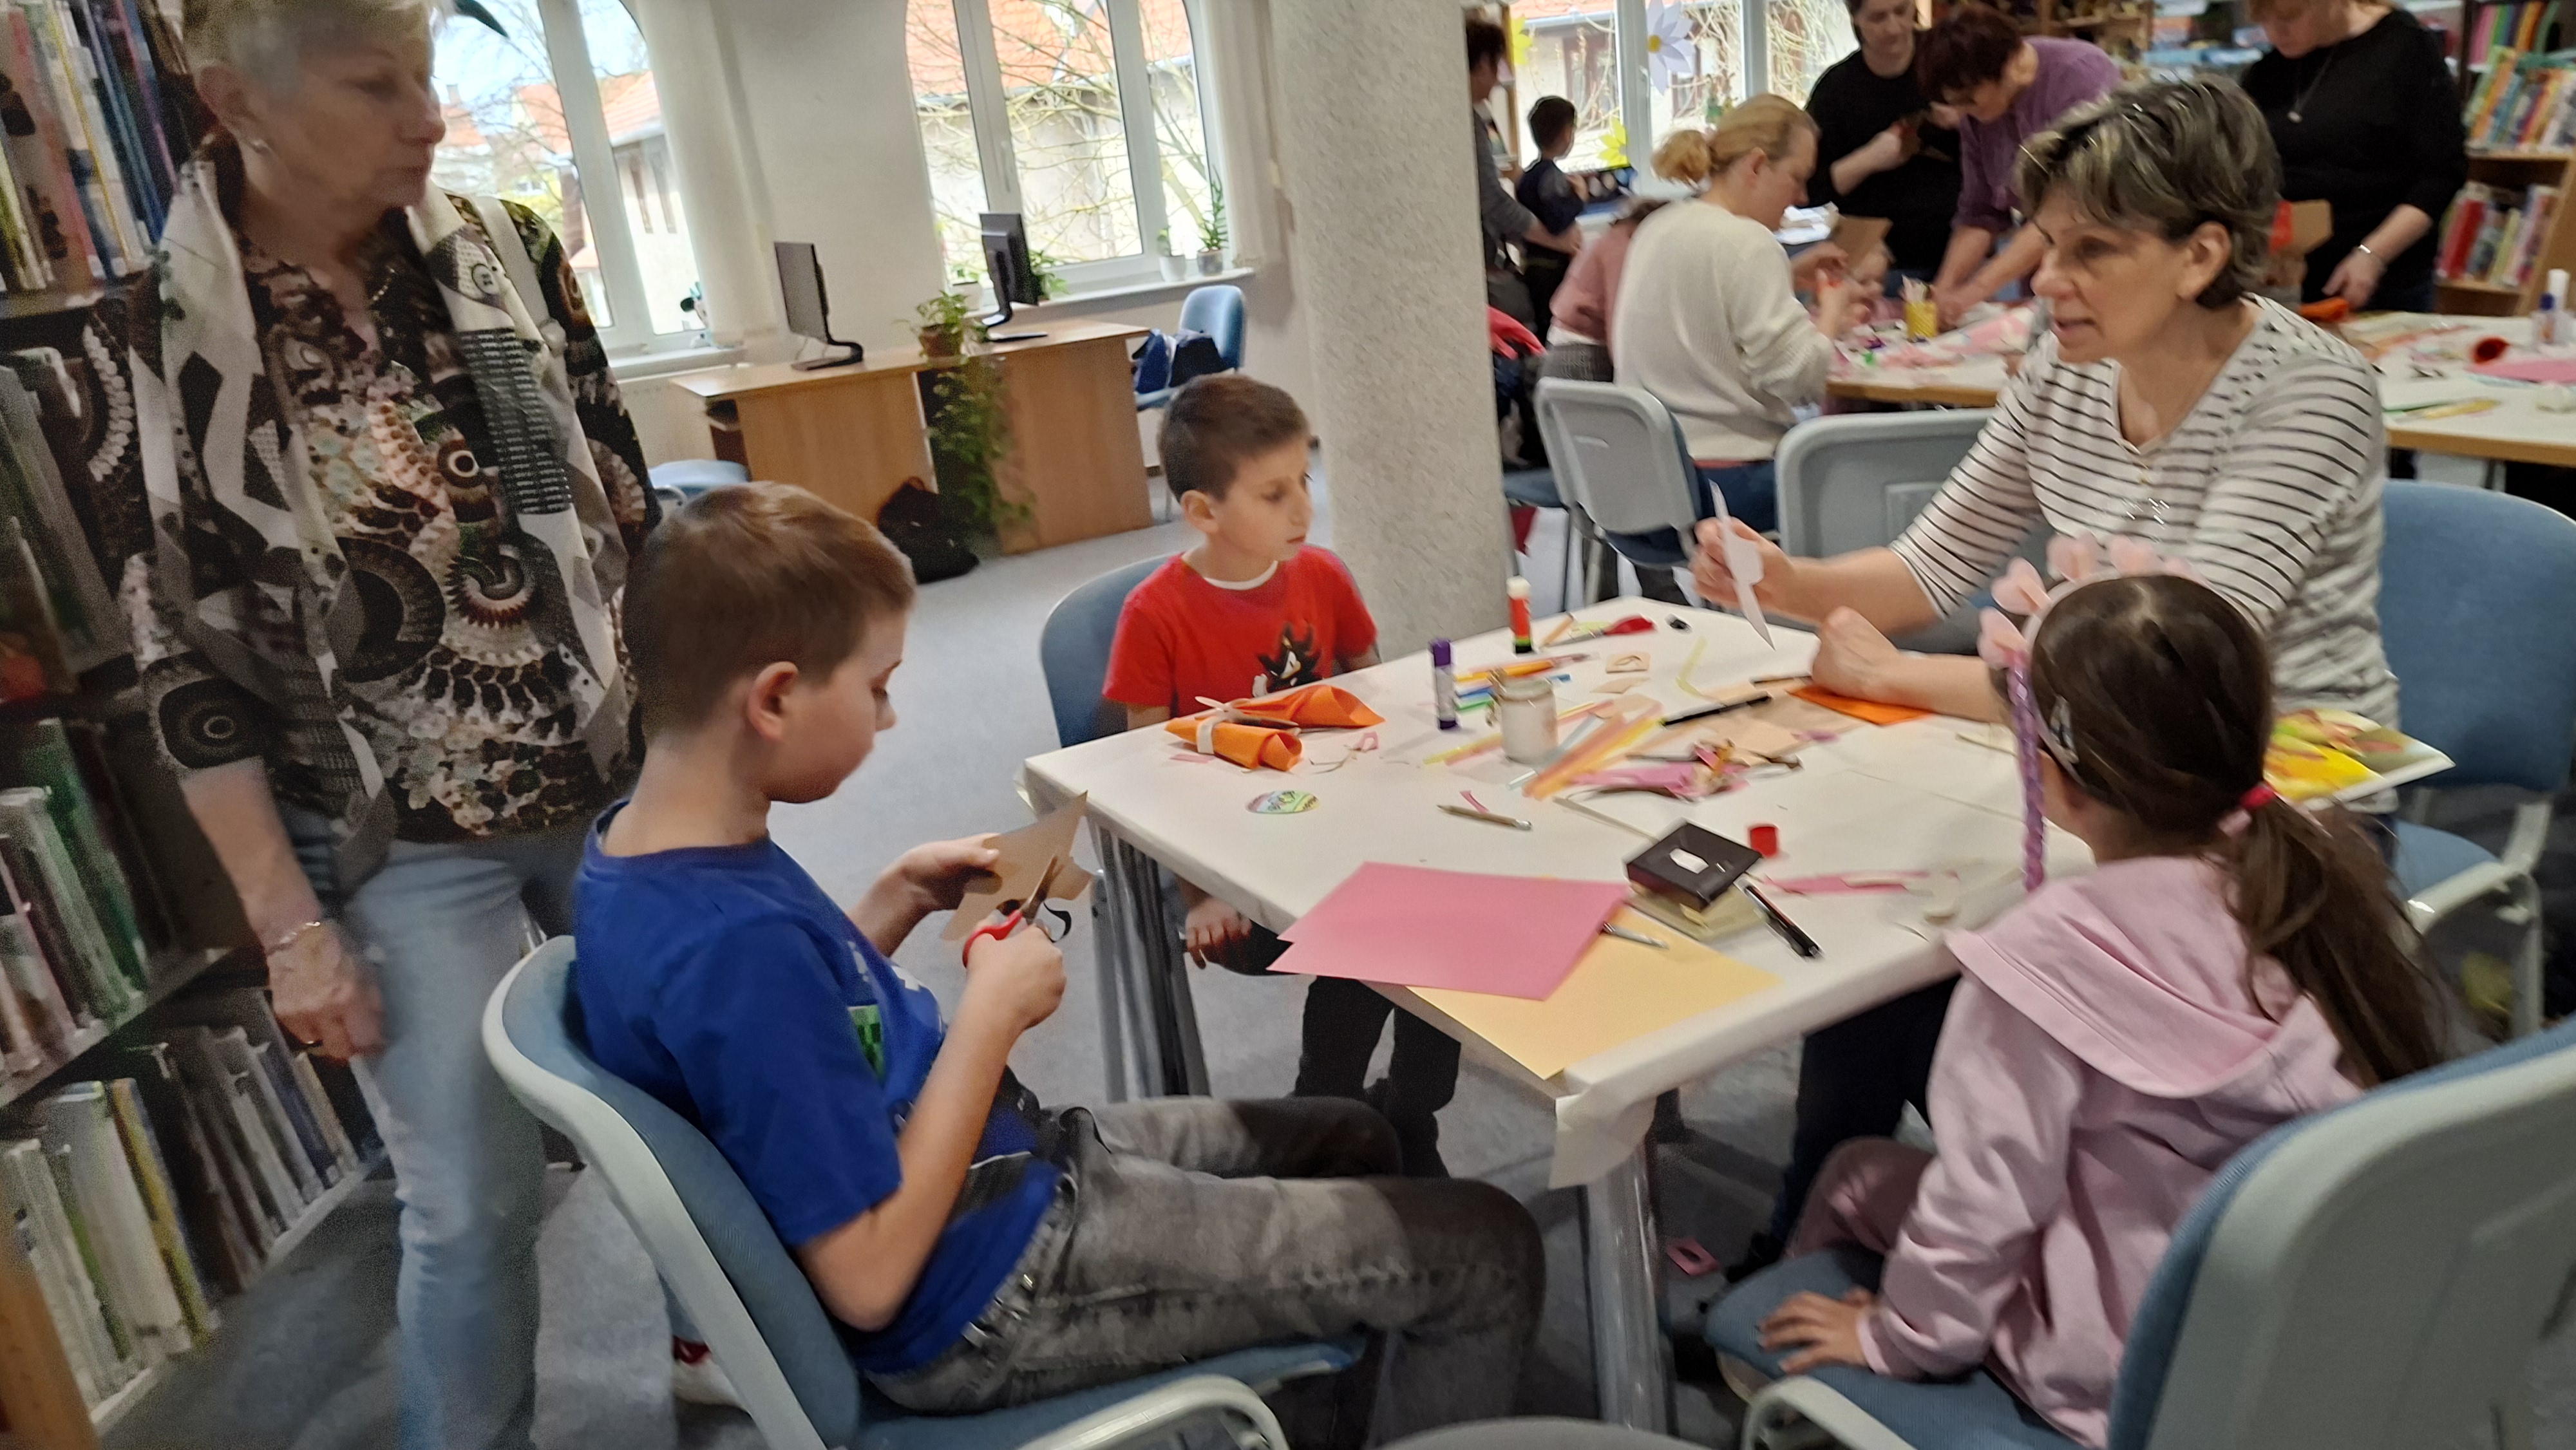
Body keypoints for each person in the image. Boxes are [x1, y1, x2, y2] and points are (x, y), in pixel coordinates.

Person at [576, 484, 1543, 1447]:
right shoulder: (731, 950)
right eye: (876, 688)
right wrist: (989, 1020)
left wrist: (891, 900)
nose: (890, 717)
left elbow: (782, 1048)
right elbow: (867, 1279)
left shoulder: (652, 852)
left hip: (1004, 1176)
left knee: (1357, 1135)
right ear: (776, 698)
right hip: (988, 1289)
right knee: (1489, 1247)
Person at [1691, 80, 2401, 1278]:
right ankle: (1848, 1227)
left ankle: (2026, 1244)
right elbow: (1933, 561)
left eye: (2091, 251)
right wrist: (1784, 575)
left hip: (2281, 797)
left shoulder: (2311, 389)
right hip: (2099, 772)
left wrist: (1906, 680)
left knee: (1939, 957)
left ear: (2202, 254)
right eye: (2048, 244)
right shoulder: (2067, 369)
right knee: (1888, 933)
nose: (2048, 281)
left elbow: (2168, 682)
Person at [77, 1, 659, 1445]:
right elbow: (181, 665)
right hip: (401, 843)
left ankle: (738, 1343)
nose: (429, 118)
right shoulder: (145, 340)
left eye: (428, 77)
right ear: (236, 101)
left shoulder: (505, 250)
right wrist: (292, 927)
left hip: (609, 776)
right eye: (374, 86)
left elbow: (625, 509)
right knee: (471, 1201)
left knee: (701, 1097)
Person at [1742, 572, 2443, 1447]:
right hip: (2297, 1320)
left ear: (2050, 773)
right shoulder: (2304, 877)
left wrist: (1899, 1337)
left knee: (1855, 1173)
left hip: (2128, 1359)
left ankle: (1792, 1395)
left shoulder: (2041, 957)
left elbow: (1983, 1201)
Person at [1099, 378, 1468, 1176]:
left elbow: (1377, 704)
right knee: (1373, 932)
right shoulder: (1155, 615)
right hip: (1222, 869)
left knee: (1447, 902)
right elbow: (1146, 781)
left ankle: (1410, 1106)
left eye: (1304, 479)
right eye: (1274, 493)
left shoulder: (1323, 576)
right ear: (1203, 511)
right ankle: (1320, 1115)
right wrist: (1200, 892)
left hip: (1328, 829)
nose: (1303, 507)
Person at [1613, 98, 1866, 539]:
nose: (1801, 198)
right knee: (1873, 482)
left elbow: (1704, 307)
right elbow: (1800, 381)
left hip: (1642, 489)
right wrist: (1832, 311)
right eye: (1797, 178)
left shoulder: (1657, 226)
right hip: (1723, 487)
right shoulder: (1748, 242)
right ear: (1757, 165)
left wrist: (1788, 275)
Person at [2240, 0, 2467, 315]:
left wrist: (2372, 255)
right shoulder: (2266, 73)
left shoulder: (2403, 48)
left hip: (2382, 281)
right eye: (2264, 19)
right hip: (2286, 283)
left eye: (2290, 16)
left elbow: (2441, 175)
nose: (2276, 32)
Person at [1914, 6, 2120, 325]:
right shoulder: (1977, 115)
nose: (1963, 112)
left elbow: (2069, 207)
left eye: (1969, 99)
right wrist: (1944, 290)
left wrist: (1976, 290)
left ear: (2009, 66)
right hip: (2043, 274)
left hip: (2105, 262)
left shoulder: (2080, 75)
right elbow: (1980, 214)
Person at [1805, 0, 1964, 287]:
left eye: (1901, 12)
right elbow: (1808, 190)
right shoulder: (1836, 91)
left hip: (1961, 253)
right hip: (1874, 263)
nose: (1894, 28)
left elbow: (2002, 148)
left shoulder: (1950, 63)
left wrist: (1969, 117)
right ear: (1855, 18)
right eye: (1878, 18)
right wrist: (1869, 159)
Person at [1470, 15, 1582, 326]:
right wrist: (1558, 238)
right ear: (1483, 63)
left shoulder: (1482, 121)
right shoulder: (1471, 123)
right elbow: (1493, 200)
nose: (1498, 80)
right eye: (1497, 66)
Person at [1519, 95, 1586, 339]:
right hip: (1551, 268)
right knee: (1553, 327)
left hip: (1533, 265)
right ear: (1567, 133)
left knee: (1542, 326)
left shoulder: (1528, 176)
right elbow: (1557, 221)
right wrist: (1579, 198)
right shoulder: (1551, 177)